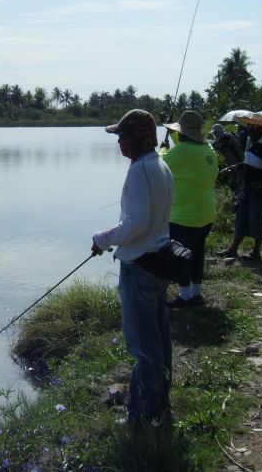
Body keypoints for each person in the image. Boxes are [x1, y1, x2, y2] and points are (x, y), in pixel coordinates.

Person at [91, 109, 175, 428]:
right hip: (157, 262)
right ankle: (159, 402)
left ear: (138, 138)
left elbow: (137, 223)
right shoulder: (160, 165)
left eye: (123, 136)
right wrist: (110, 239)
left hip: (140, 268)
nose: (119, 142)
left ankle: (142, 414)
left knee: (143, 345)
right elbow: (141, 221)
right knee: (159, 339)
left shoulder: (140, 171)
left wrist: (103, 238)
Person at [159, 111, 218, 308]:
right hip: (206, 213)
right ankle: (196, 293)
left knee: (180, 255)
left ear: (183, 134)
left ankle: (184, 297)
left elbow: (160, 166)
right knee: (197, 253)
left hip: (184, 216)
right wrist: (173, 136)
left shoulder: (182, 152)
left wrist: (163, 149)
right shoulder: (208, 148)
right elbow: (184, 147)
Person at [217, 123, 262, 261]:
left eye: (251, 128)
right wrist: (235, 167)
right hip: (246, 187)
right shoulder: (252, 142)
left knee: (257, 218)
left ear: (259, 130)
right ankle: (233, 249)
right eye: (247, 127)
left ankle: (256, 252)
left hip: (258, 189)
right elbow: (248, 162)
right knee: (241, 216)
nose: (247, 130)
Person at [210, 123, 244, 195]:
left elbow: (221, 146)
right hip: (231, 165)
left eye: (216, 133)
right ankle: (234, 201)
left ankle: (239, 202)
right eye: (214, 133)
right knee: (232, 185)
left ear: (220, 132)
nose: (215, 135)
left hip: (238, 163)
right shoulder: (221, 140)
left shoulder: (228, 138)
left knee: (238, 185)